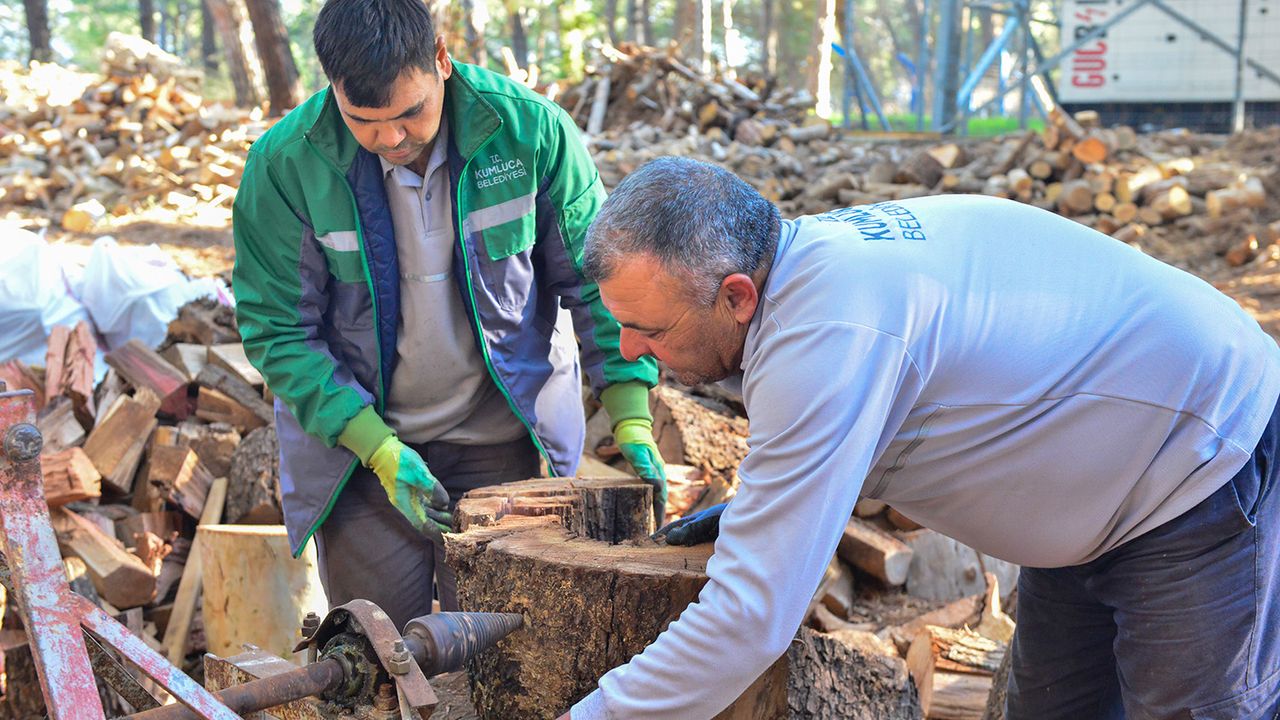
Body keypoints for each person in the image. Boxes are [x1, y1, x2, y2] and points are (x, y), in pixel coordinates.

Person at [564, 156, 1280, 720]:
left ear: (736, 296)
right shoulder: (807, 278)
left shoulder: (825, 334)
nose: (628, 349)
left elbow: (749, 620)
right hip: (1098, 479)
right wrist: (769, 508)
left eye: (649, 329)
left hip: (1196, 459)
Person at [231, 0, 663, 630]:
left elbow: (599, 279)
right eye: (363, 120)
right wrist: (378, 449)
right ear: (332, 88)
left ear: (441, 58)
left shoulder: (529, 132)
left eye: (410, 112)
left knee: (507, 652)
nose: (391, 139)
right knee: (379, 653)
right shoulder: (285, 166)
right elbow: (278, 332)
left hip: (503, 445)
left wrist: (631, 414)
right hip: (362, 459)